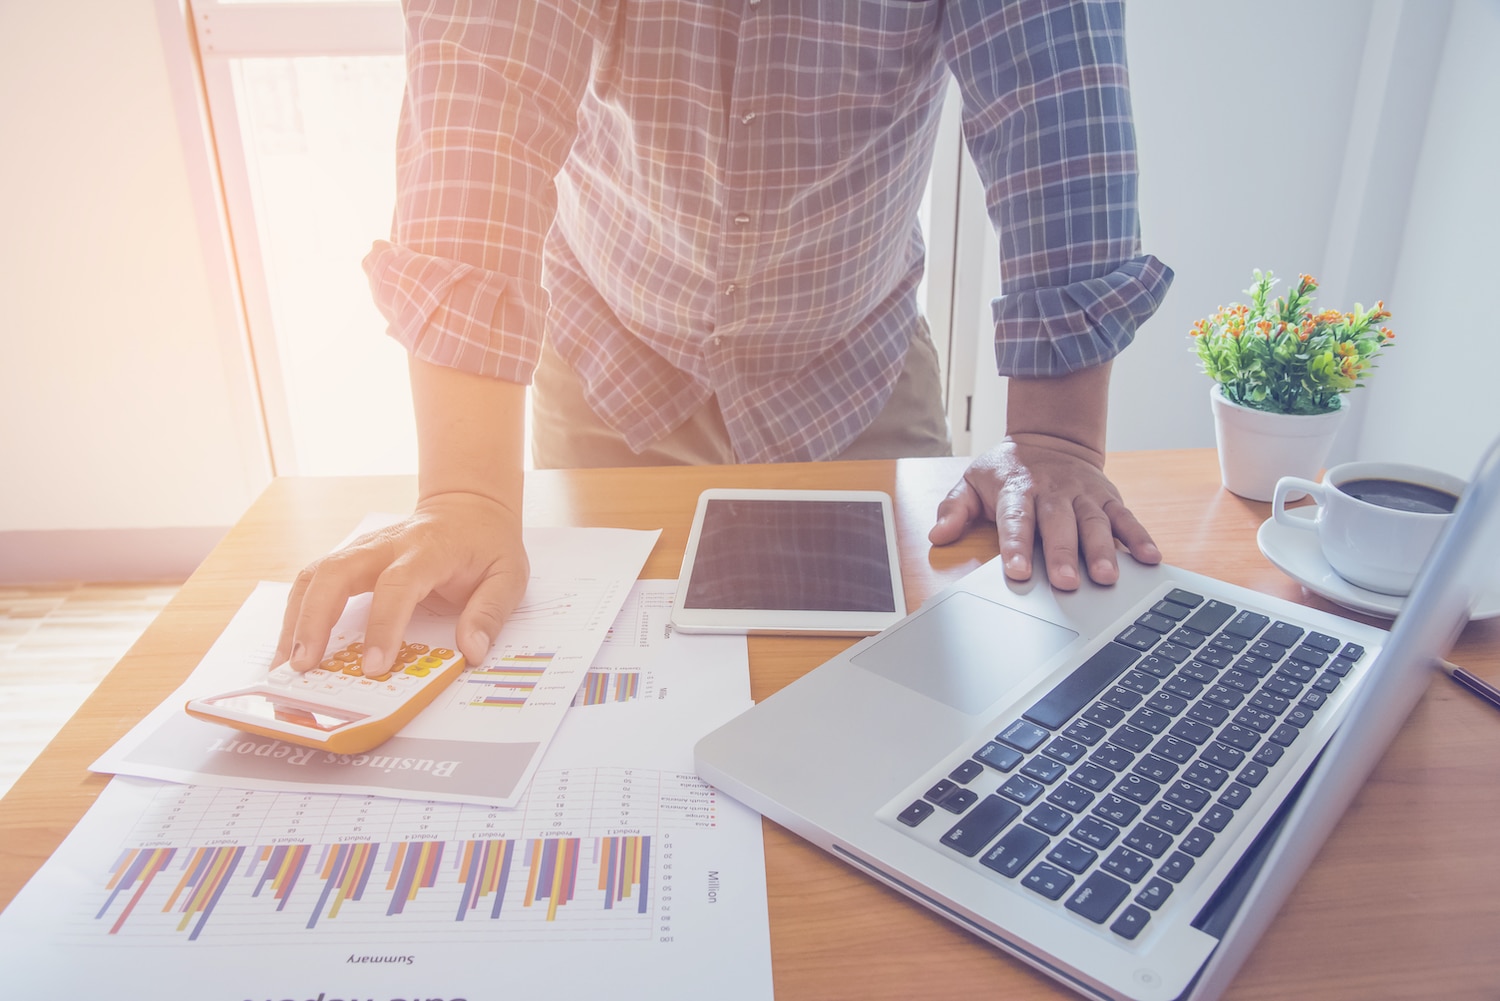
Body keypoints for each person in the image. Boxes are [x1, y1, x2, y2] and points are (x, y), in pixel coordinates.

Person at [276, 0, 1173, 678]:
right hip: (610, 352)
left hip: (856, 358)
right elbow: (485, 99)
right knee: (585, 681)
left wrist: (1055, 437)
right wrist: (465, 490)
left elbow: (1056, 95)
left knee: (902, 691)